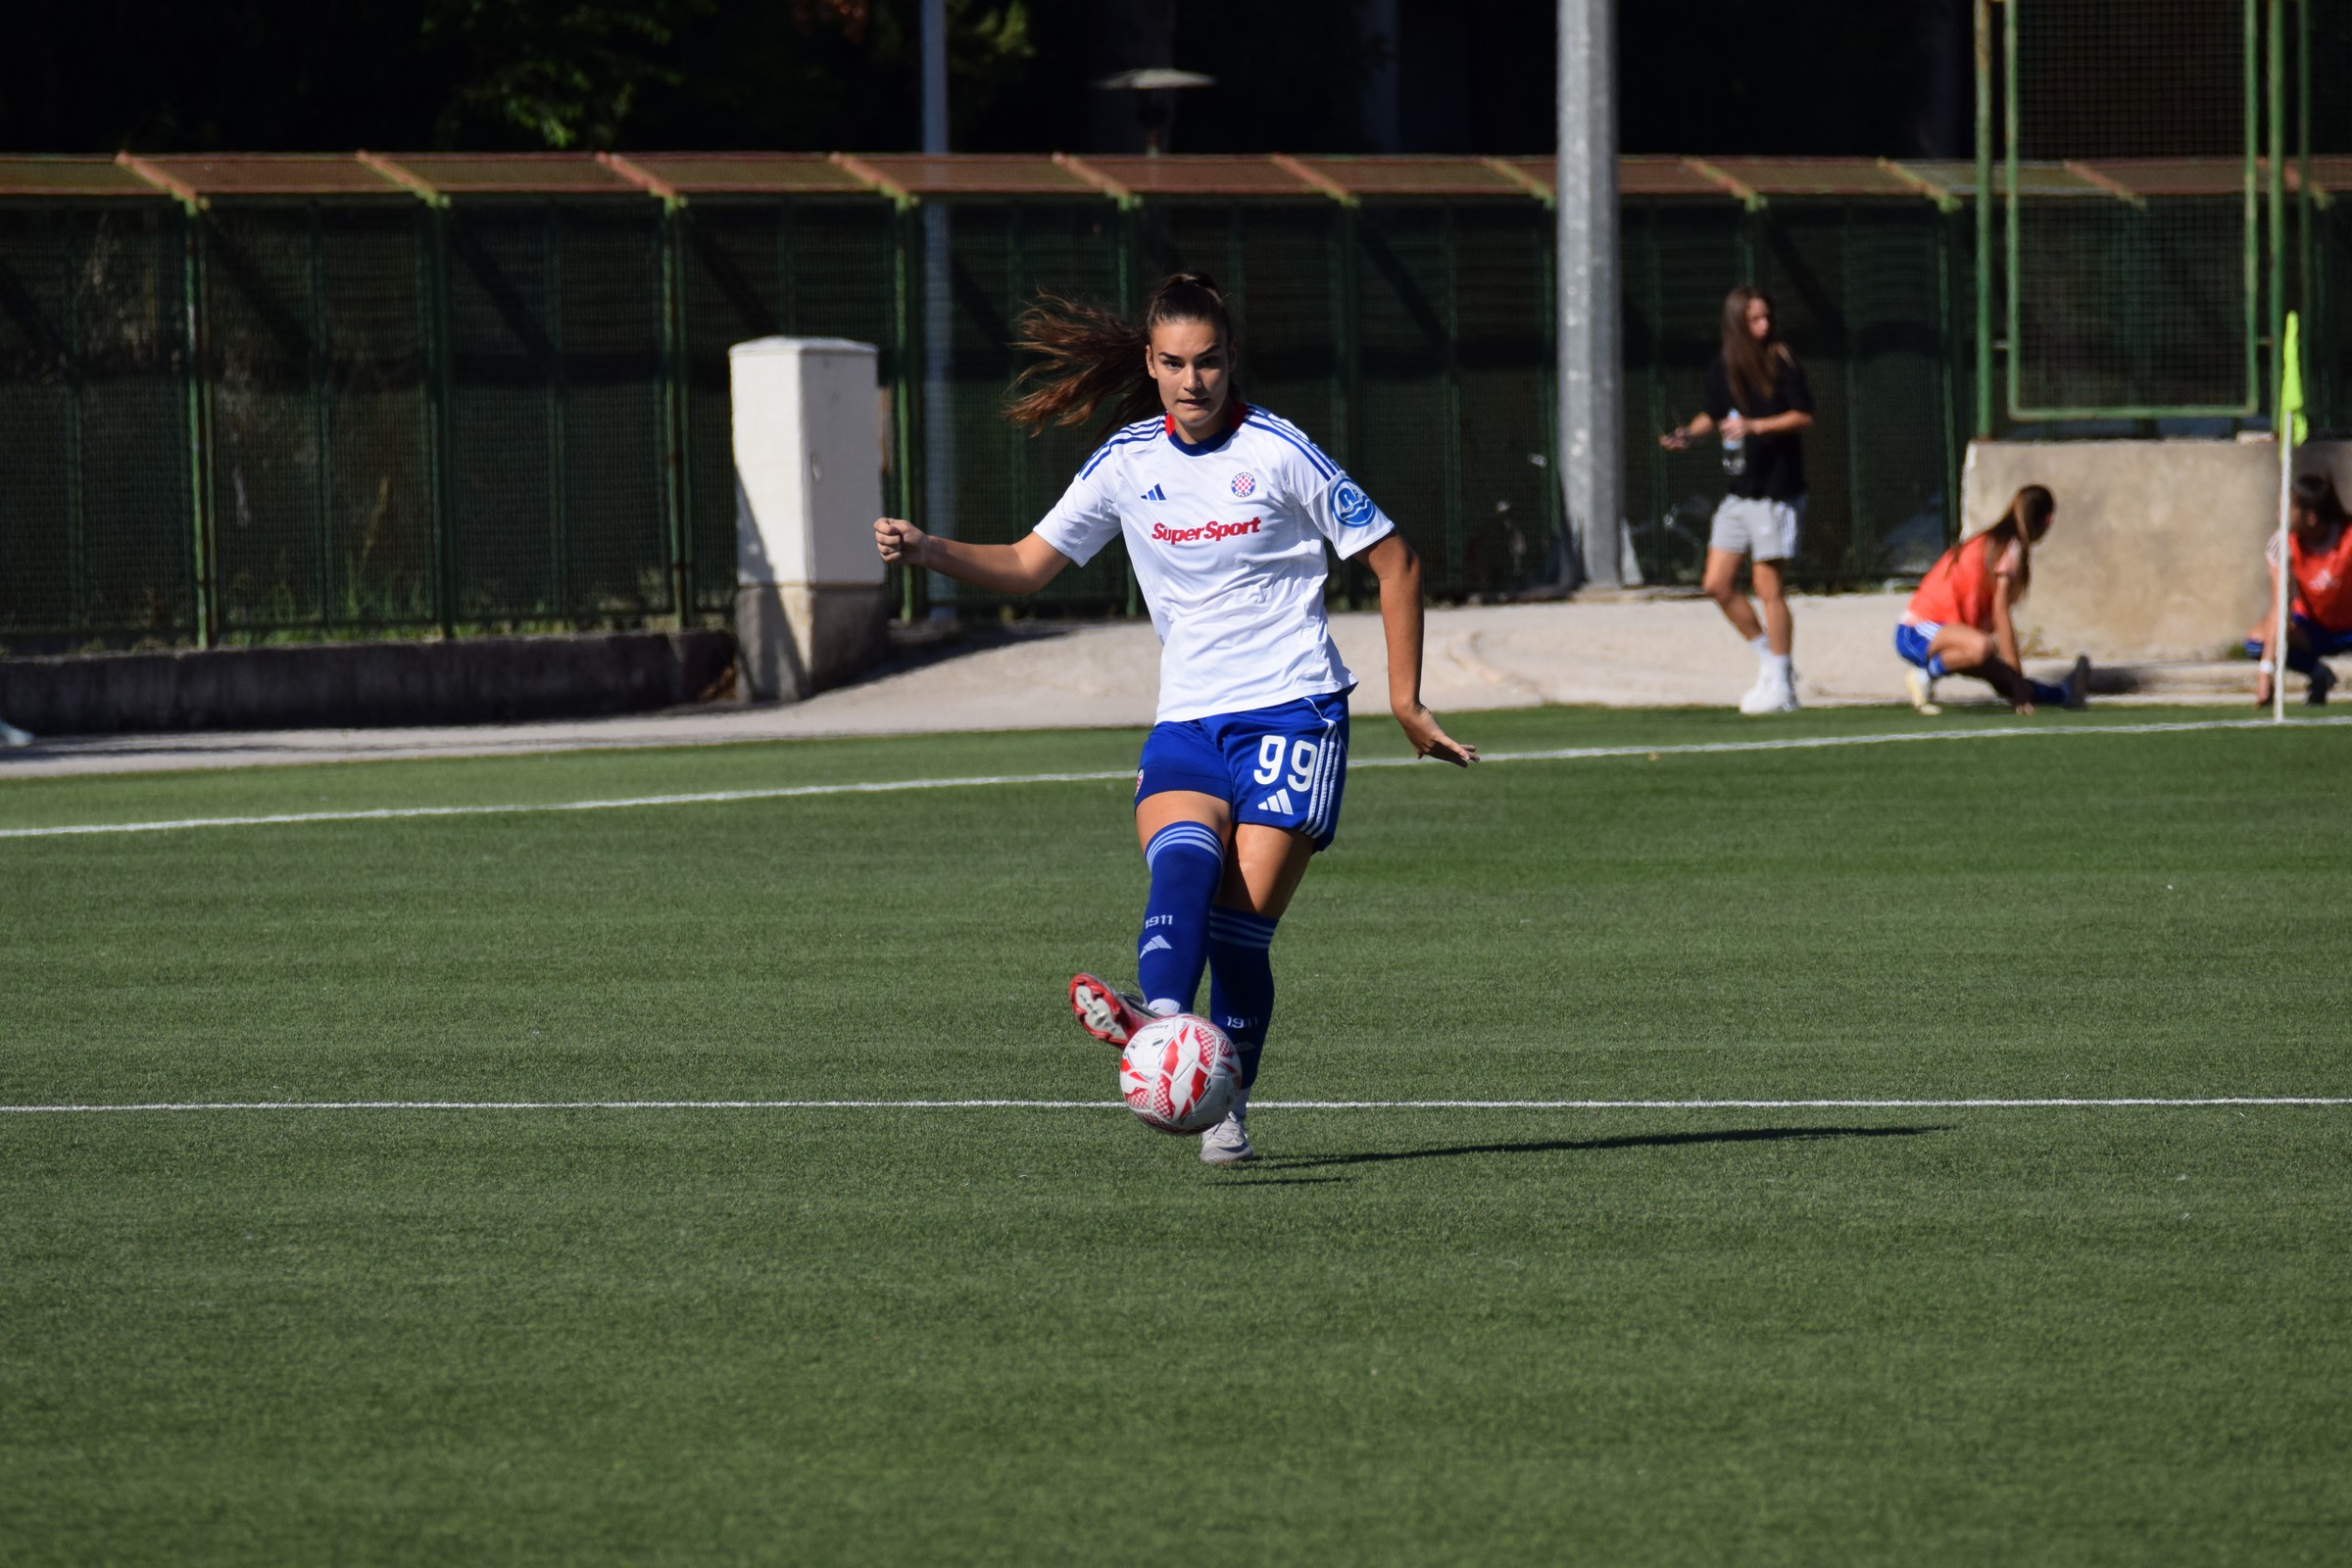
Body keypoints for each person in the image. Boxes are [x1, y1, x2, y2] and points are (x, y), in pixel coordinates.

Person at [873, 272, 1476, 1165]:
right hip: (1189, 717)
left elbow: (1397, 562)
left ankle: (1225, 1101)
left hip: (1294, 713)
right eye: (1175, 363)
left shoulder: (1281, 451)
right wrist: (929, 550)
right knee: (1183, 864)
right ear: (1151, 365)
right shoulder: (1124, 463)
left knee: (1237, 937)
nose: (1194, 381)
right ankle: (1158, 1025)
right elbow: (1029, 565)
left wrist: (1405, 700)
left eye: (1209, 362)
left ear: (1232, 360)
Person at [1660, 285, 1814, 714]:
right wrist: (1689, 435)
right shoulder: (1724, 364)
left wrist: (1755, 426)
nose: (1764, 326)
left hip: (1777, 494)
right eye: (1754, 320)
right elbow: (1712, 414)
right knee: (1716, 584)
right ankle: (1772, 662)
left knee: (1768, 587)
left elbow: (1804, 415)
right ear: (1736, 324)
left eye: (1767, 317)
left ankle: (1782, 687)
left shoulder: (1781, 358)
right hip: (1739, 493)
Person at [1894, 484, 2088, 714]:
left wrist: (2014, 679)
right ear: (2048, 520)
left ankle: (2064, 694)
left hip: (1949, 635)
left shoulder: (1997, 541)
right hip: (1915, 631)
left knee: (2004, 678)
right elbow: (2001, 613)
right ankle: (1924, 676)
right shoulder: (2009, 548)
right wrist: (2017, 676)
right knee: (1984, 648)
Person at [2246, 470, 2351, 707]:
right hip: (2313, 629)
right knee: (2257, 642)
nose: (2278, 516)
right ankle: (2319, 674)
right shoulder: (2283, 544)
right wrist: (2266, 670)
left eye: (2285, 510)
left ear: (2311, 517)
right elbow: (2280, 606)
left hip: (2349, 627)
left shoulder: (2348, 539)